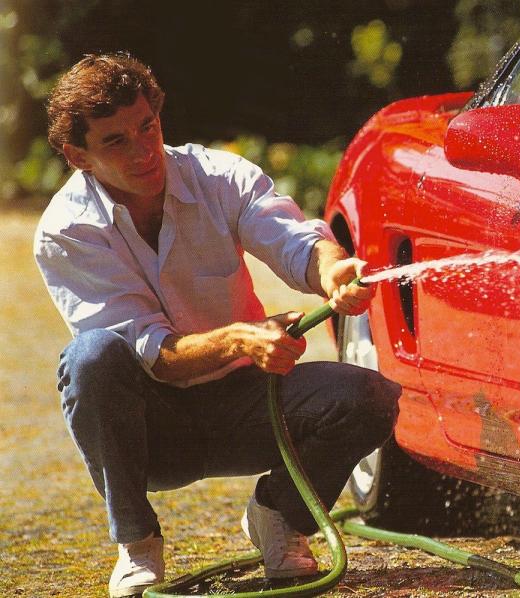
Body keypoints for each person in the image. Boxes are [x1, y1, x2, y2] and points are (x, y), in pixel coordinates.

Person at [34, 52, 402, 598]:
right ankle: (137, 545)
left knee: (368, 396)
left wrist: (332, 268)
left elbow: (293, 240)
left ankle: (279, 516)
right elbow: (146, 350)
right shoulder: (66, 231)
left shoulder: (219, 175)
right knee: (89, 360)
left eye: (148, 127)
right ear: (76, 155)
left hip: (249, 403)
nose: (143, 151)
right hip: (152, 428)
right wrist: (238, 338)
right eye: (116, 142)